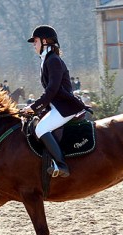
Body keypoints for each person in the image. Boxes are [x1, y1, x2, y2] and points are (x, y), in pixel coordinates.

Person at [22, 25, 87, 177]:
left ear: (45, 41)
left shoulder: (53, 61)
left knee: (41, 129)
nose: (34, 45)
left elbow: (52, 90)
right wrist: (35, 109)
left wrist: (34, 106)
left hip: (65, 108)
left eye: (35, 41)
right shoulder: (47, 60)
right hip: (57, 107)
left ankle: (62, 165)